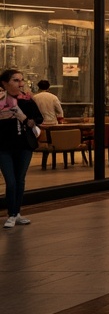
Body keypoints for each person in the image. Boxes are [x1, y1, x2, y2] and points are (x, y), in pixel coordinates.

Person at [0, 69, 42, 228]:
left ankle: (16, 213)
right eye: (15, 80)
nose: (20, 83)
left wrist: (30, 121)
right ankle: (11, 214)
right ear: (5, 83)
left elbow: (39, 117)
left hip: (24, 145)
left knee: (20, 180)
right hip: (4, 147)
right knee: (10, 181)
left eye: (21, 80)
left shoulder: (27, 100)